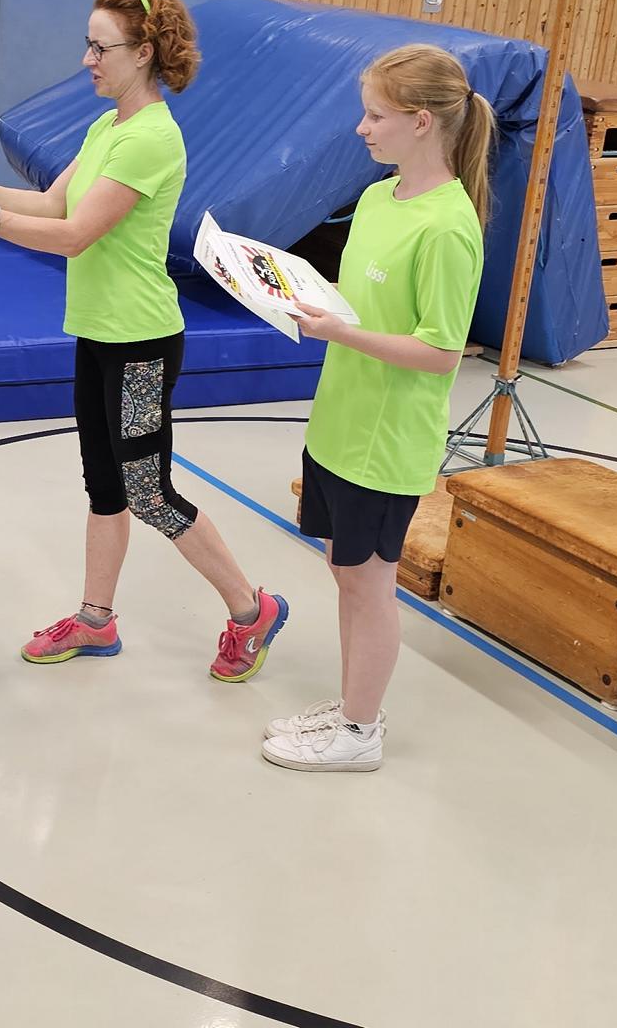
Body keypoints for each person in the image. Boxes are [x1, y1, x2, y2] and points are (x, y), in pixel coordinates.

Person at [0, 0, 288, 680]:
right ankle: (96, 621)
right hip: (100, 334)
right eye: (88, 45)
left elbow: (74, 235)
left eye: (101, 48)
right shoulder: (108, 128)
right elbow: (51, 203)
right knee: (105, 484)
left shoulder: (151, 138)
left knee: (149, 490)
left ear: (143, 52)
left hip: (140, 345)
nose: (87, 60)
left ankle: (252, 610)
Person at [262, 44, 490, 773]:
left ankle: (359, 732)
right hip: (338, 422)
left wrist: (341, 332)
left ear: (421, 122)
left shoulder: (449, 227)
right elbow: (359, 306)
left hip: (384, 441)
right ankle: (354, 704)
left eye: (375, 116)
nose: (361, 128)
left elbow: (441, 350)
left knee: (370, 585)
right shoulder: (374, 199)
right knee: (345, 573)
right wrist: (301, 299)